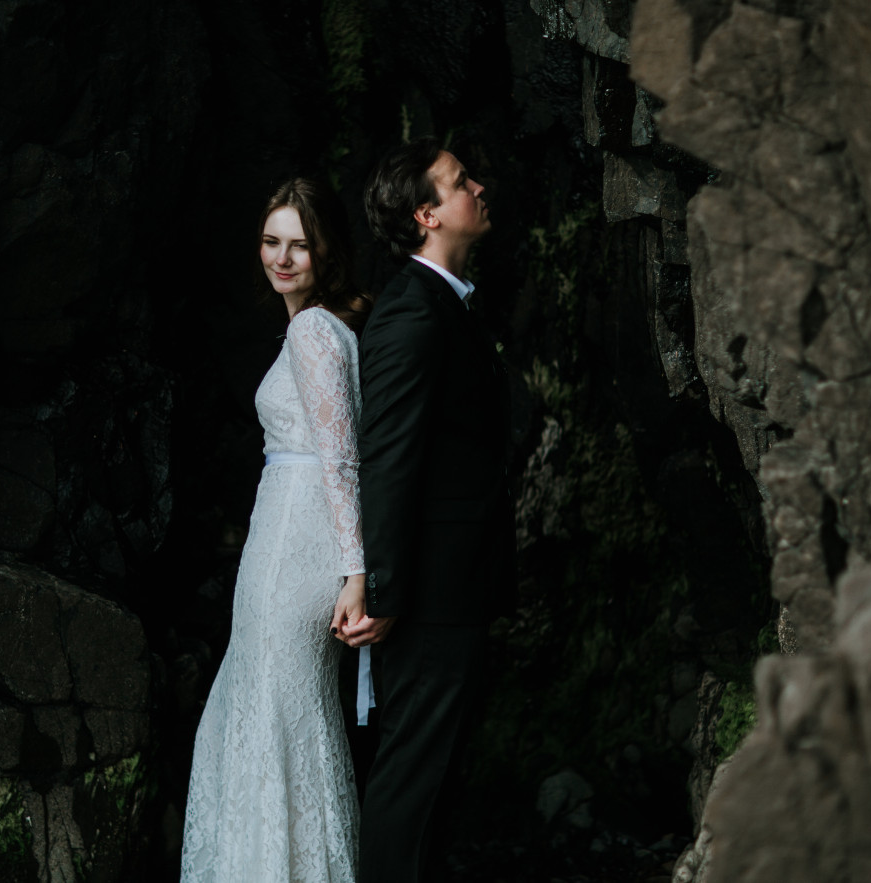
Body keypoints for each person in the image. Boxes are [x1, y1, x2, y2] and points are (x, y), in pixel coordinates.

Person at [181, 177, 372, 883]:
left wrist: (356, 573)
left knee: (272, 713)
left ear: (325, 252)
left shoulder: (313, 330)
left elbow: (342, 457)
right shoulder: (327, 326)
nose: (283, 257)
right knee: (280, 713)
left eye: (299, 244)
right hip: (292, 537)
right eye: (271, 241)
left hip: (297, 546)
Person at [340, 137, 516, 881]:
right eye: (458, 182)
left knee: (434, 788)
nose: (479, 186)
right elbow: (387, 459)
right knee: (408, 789)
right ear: (425, 214)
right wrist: (380, 588)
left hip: (454, 588)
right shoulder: (411, 312)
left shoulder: (445, 306)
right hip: (424, 600)